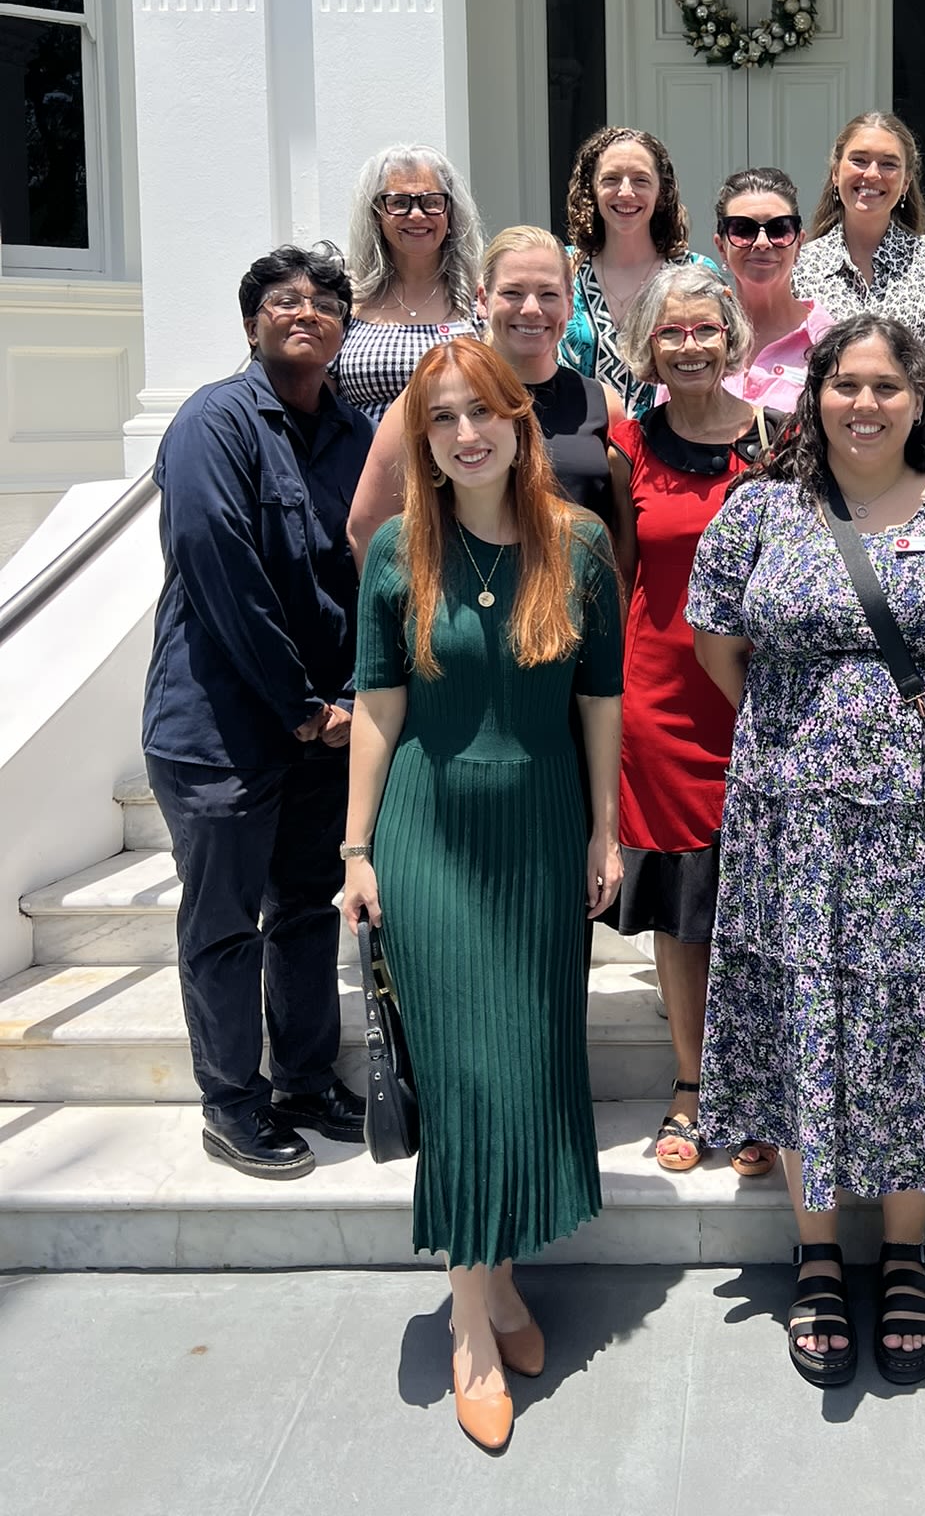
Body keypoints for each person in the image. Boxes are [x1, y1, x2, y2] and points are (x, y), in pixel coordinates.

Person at [688, 316, 925, 1389]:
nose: (864, 404)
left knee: (920, 1012)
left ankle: (905, 1252)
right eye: (845, 384)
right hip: (795, 816)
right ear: (814, 394)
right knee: (805, 1007)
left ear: (919, 400)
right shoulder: (758, 509)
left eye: (886, 387)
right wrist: (808, 730)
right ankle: (817, 1252)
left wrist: (907, 723)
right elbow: (719, 645)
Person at [341, 337, 622, 1454]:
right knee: (465, 1080)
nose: (466, 434)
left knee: (527, 1065)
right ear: (423, 438)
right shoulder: (398, 549)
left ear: (518, 422)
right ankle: (471, 1325)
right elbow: (377, 704)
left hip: (543, 831)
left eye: (483, 412)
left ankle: (501, 1280)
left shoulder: (580, 543)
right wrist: (357, 848)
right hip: (430, 834)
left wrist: (605, 828)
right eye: (443, 418)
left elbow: (600, 696)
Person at [142, 245, 375, 1179]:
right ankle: (233, 1102)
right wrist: (301, 702)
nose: (306, 312)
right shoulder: (214, 421)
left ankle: (307, 1080)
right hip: (220, 732)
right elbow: (219, 565)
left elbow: (378, 570)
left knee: (307, 909)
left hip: (326, 729)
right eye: (284, 300)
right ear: (251, 324)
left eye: (325, 303)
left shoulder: (358, 435)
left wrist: (352, 698)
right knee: (226, 925)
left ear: (344, 330)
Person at [607, 263, 778, 1179]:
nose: (688, 346)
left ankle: (758, 1086)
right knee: (683, 908)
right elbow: (621, 575)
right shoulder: (626, 445)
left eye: (704, 329)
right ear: (647, 345)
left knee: (763, 899)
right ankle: (692, 1082)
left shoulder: (782, 440)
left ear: (731, 338)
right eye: (669, 332)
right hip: (664, 703)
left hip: (764, 701)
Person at [348, 226, 621, 563]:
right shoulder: (434, 394)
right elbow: (368, 523)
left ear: (569, 302)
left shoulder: (603, 404)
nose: (531, 308)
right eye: (513, 292)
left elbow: (620, 535)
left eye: (548, 294)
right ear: (482, 299)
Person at [559, 126, 718, 417]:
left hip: (671, 440)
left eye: (641, 180)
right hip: (576, 439)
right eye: (611, 179)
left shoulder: (696, 272)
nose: (626, 192)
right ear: (591, 188)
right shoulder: (563, 269)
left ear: (661, 191)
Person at [792, 111, 925, 354]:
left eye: (888, 164)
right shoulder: (799, 268)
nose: (872, 174)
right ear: (835, 173)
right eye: (859, 160)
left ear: (906, 182)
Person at [334, 144, 482, 421]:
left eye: (432, 202)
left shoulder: (479, 298)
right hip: (364, 449)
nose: (416, 214)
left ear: (451, 212)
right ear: (376, 214)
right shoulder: (346, 300)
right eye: (400, 203)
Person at [713, 166, 834, 412]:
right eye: (743, 230)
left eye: (778, 229)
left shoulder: (831, 343)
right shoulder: (696, 337)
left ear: (799, 244)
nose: (762, 243)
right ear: (721, 247)